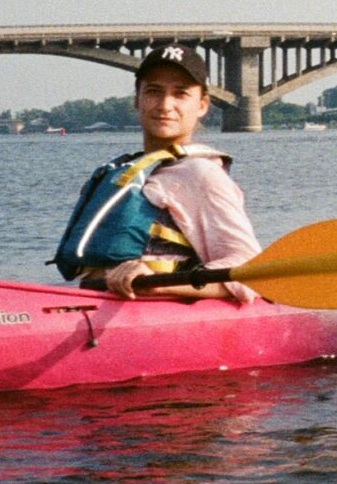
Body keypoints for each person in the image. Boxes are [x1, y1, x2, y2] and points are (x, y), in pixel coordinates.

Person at [52, 46, 263, 300]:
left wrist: (156, 283)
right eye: (153, 92)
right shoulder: (124, 173)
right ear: (136, 99)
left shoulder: (201, 174)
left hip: (160, 319)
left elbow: (249, 273)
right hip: (98, 306)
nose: (165, 105)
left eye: (180, 93)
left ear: (202, 105)